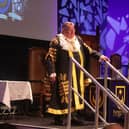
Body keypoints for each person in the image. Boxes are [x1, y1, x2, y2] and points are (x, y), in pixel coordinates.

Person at [43, 21, 109, 125]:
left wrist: (100, 56)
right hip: (63, 74)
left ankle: (73, 117)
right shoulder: (57, 41)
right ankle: (59, 118)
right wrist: (52, 72)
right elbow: (49, 58)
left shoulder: (78, 39)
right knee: (63, 96)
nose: (72, 32)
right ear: (64, 31)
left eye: (73, 30)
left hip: (78, 74)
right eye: (70, 30)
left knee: (75, 95)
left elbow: (89, 50)